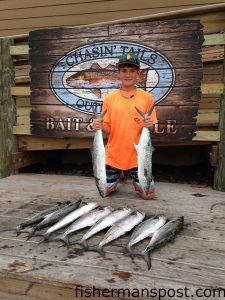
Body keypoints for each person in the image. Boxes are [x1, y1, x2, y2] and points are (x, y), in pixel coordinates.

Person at [92, 52, 158, 200]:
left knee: (148, 195)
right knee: (104, 191)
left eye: (132, 71)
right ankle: (118, 174)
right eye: (124, 71)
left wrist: (149, 125)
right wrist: (100, 125)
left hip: (138, 156)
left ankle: (133, 177)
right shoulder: (109, 99)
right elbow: (109, 129)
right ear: (119, 74)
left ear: (138, 74)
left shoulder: (147, 98)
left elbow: (151, 126)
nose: (128, 75)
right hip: (114, 155)